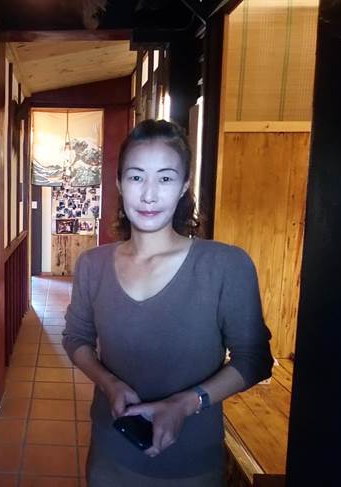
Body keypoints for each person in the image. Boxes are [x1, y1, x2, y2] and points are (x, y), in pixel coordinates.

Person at [62, 120, 274, 486]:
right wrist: (108, 383)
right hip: (110, 454)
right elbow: (75, 339)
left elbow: (254, 359)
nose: (149, 195)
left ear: (184, 186)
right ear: (119, 184)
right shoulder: (92, 265)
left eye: (165, 178)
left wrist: (187, 403)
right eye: (136, 177)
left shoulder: (225, 265)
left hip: (190, 466)